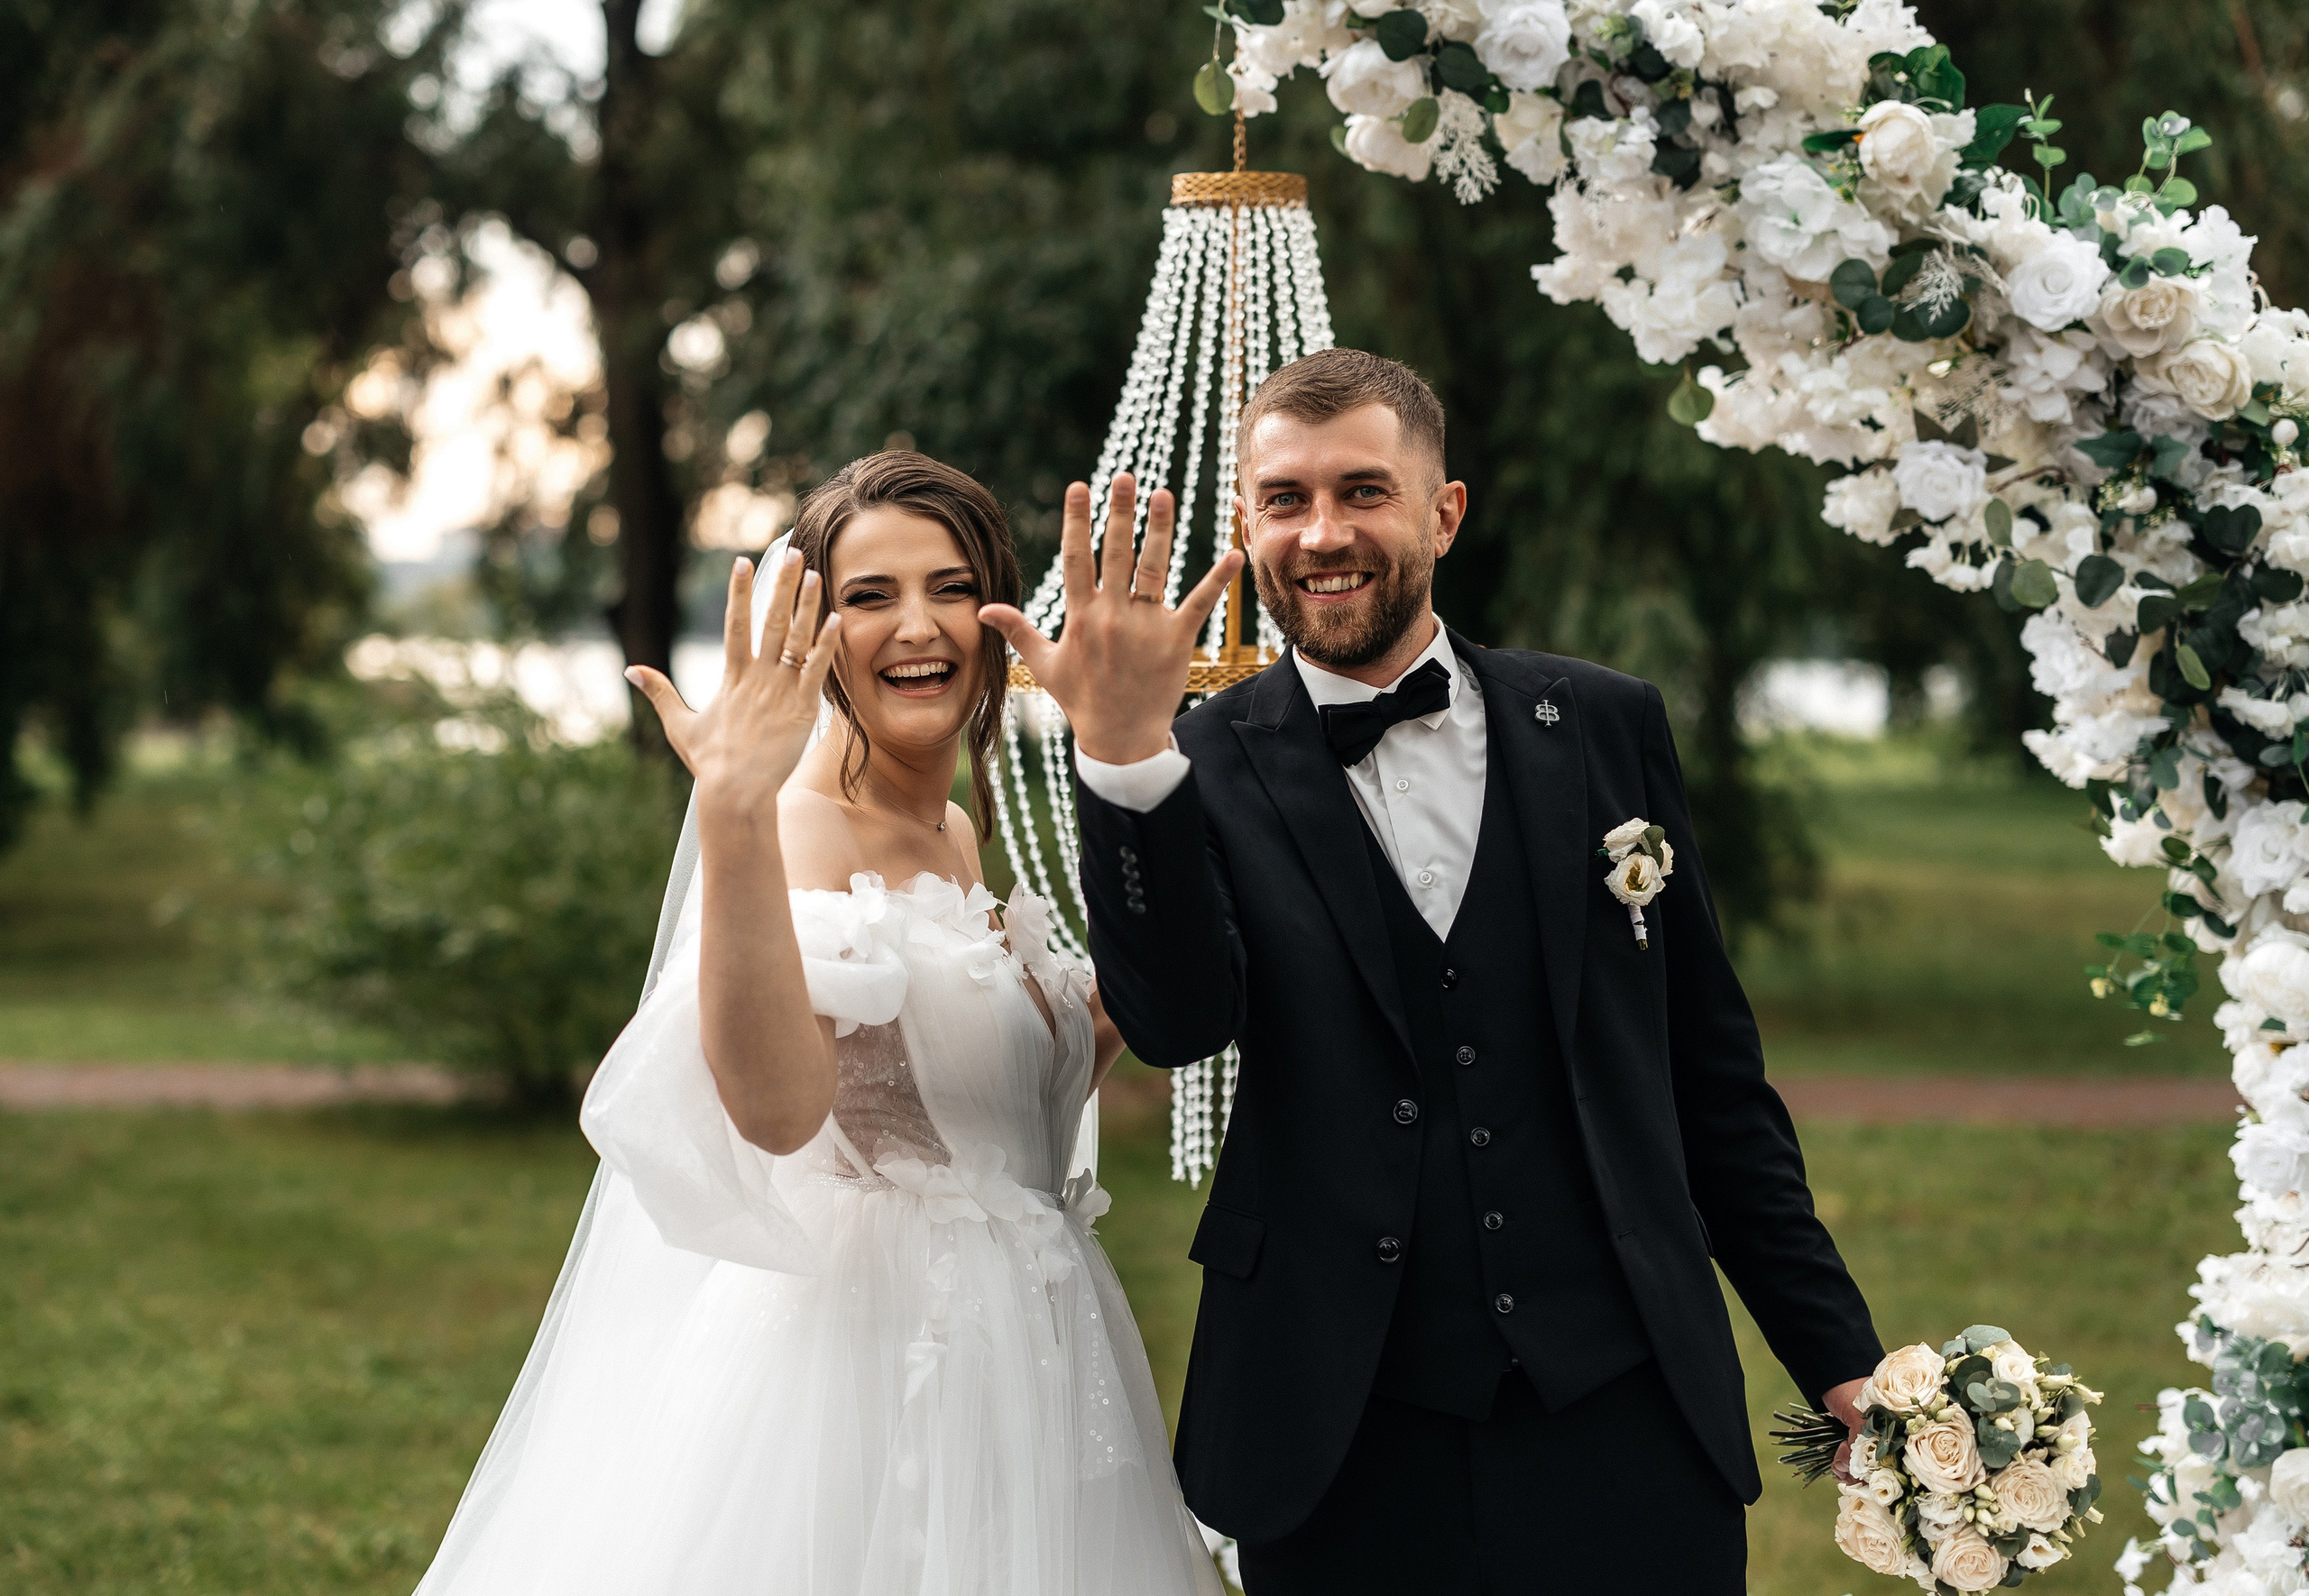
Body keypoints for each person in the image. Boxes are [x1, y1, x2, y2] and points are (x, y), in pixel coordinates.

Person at [979, 349, 1881, 1594]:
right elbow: (1178, 1022)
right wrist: (1126, 765)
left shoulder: (1605, 723)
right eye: (1285, 499)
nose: (1322, 533)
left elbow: (1710, 1083)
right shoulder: (1197, 758)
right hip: (1336, 1429)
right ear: (1249, 523)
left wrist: (1837, 1354)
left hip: (1623, 1409)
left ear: (1443, 512)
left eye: (1364, 490)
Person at [410, 452, 1226, 1596]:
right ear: (816, 632)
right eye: (869, 596)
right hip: (877, 1368)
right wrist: (732, 812)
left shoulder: (950, 825)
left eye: (949, 587)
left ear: (1000, 618)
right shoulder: (800, 829)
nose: (916, 626)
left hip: (1031, 1344)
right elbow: (778, 1110)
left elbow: (974, 1101)